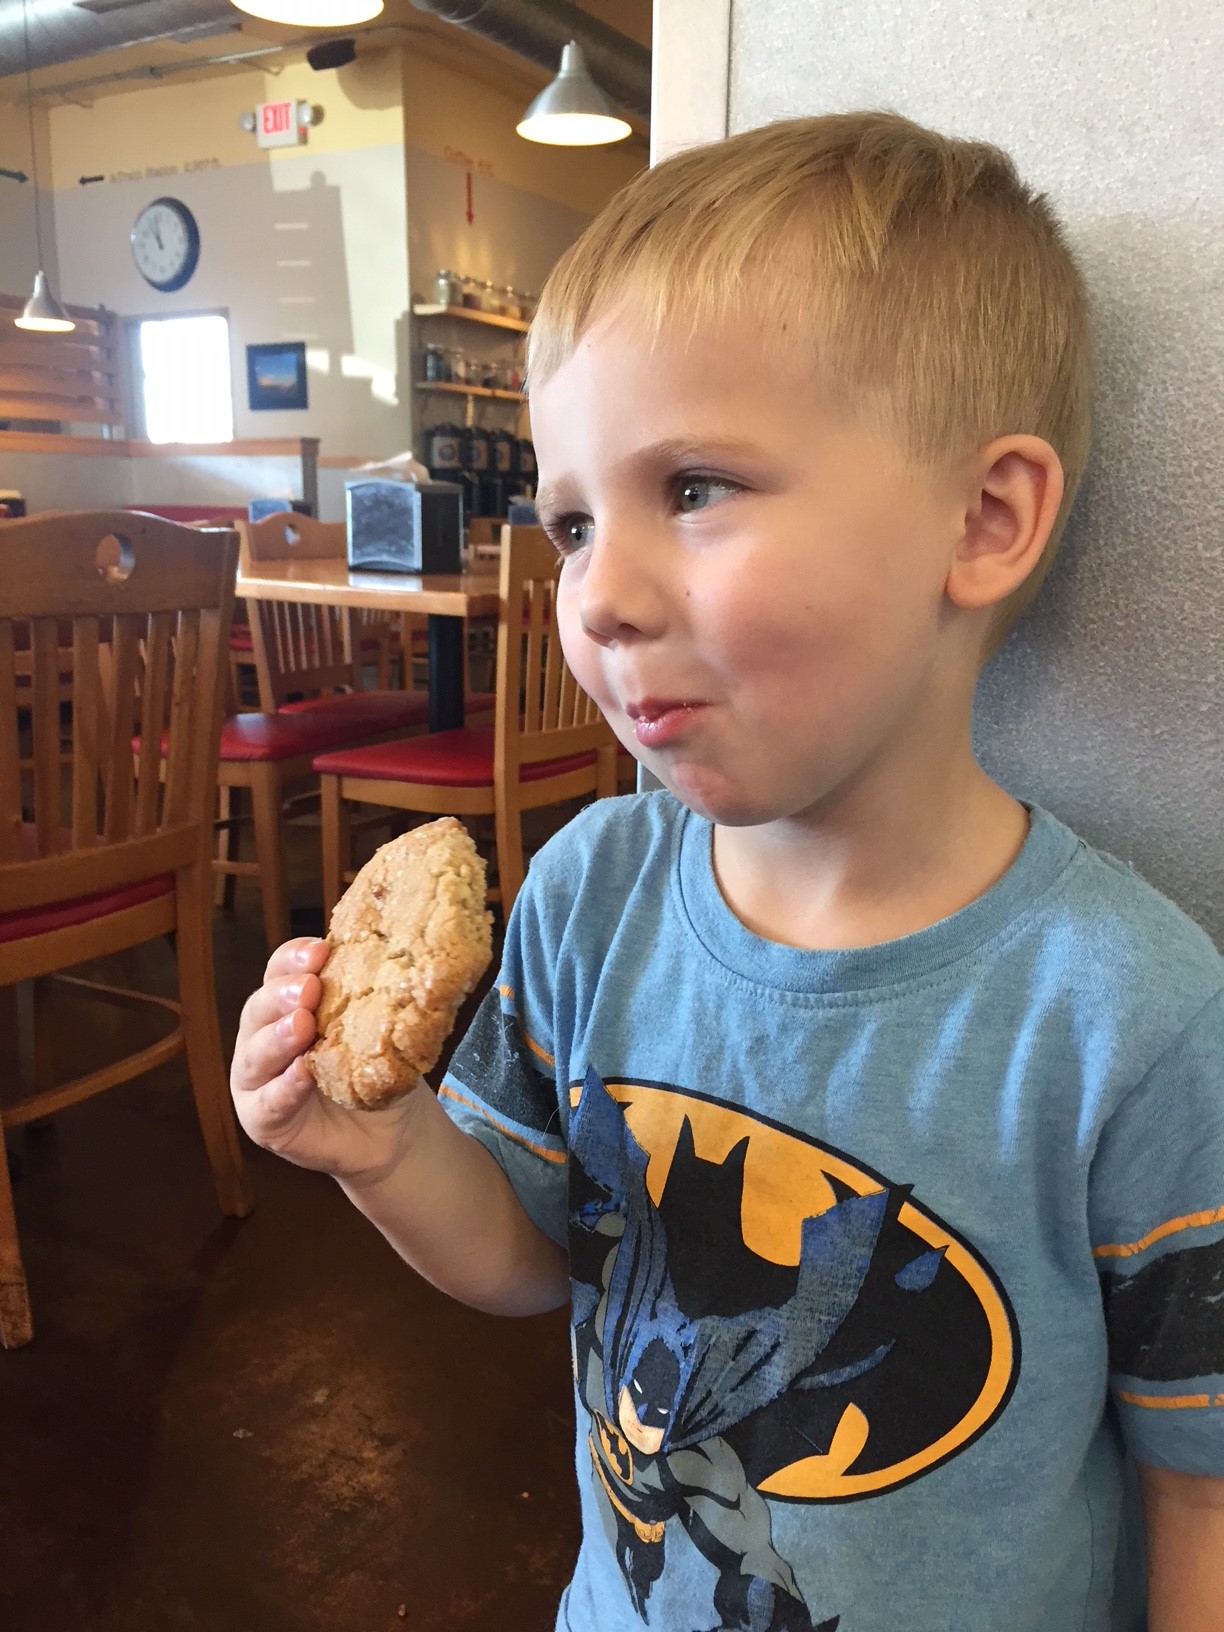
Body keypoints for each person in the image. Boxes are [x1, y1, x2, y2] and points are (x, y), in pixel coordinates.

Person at [230, 113, 1224, 1631]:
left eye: (693, 486)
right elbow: (529, 1253)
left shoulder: (1131, 1013)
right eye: (569, 521)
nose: (596, 597)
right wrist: (381, 1149)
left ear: (983, 518)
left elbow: (1196, 1481)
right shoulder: (583, 893)